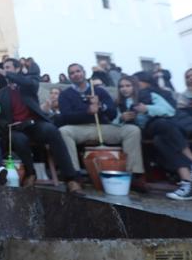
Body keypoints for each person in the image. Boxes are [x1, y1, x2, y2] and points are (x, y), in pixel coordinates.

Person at [0, 59, 82, 192]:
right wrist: (8, 125)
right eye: (4, 68)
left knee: (52, 130)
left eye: (8, 67)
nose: (5, 70)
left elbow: (26, 81)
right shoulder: (2, 93)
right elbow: (1, 119)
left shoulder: (28, 85)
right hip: (15, 129)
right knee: (19, 139)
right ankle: (30, 174)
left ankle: (71, 179)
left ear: (17, 70)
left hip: (34, 125)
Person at [58, 63, 147, 191]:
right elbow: (66, 117)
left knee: (132, 130)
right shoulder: (65, 95)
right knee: (63, 131)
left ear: (84, 72)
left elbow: (112, 113)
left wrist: (101, 106)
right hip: (80, 128)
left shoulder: (99, 91)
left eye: (78, 71)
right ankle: (75, 176)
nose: (76, 74)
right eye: (72, 73)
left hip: (104, 127)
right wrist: (87, 111)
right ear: (69, 77)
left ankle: (134, 175)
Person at [116, 74, 192, 200]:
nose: (124, 89)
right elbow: (114, 121)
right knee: (163, 127)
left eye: (128, 85)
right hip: (144, 131)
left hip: (161, 129)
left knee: (162, 140)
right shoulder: (119, 103)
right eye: (121, 86)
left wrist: (147, 108)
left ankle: (189, 184)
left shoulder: (148, 95)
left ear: (134, 86)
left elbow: (169, 110)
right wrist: (122, 118)